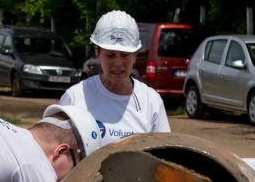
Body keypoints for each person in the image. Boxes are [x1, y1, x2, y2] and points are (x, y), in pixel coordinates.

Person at [58, 10, 171, 139]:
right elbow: (57, 149)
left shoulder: (151, 102)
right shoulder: (75, 97)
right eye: (110, 55)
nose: (118, 63)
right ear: (97, 54)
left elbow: (164, 153)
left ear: (135, 56)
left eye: (125, 55)